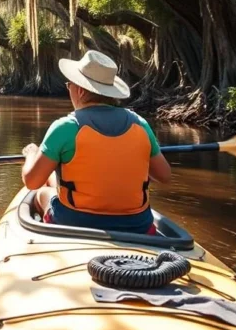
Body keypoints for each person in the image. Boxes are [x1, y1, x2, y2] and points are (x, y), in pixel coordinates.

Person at [20, 50, 172, 234]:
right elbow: (164, 175)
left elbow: (32, 182)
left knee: (42, 193)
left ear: (81, 90)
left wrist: (31, 153)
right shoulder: (141, 125)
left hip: (75, 224)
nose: (69, 90)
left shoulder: (65, 127)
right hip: (137, 225)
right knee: (54, 179)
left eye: (69, 85)